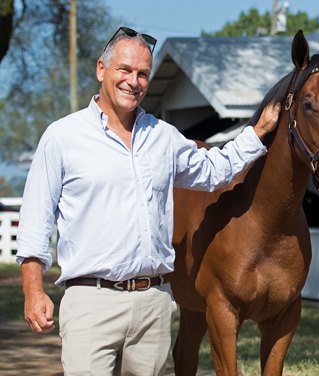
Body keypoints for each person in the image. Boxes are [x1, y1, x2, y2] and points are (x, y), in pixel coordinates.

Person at [16, 26, 281, 375]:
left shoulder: (163, 136)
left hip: (152, 303)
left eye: (142, 73)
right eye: (124, 70)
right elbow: (36, 218)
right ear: (101, 70)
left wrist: (258, 132)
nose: (134, 81)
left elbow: (214, 169)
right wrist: (33, 290)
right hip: (90, 302)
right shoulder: (63, 137)